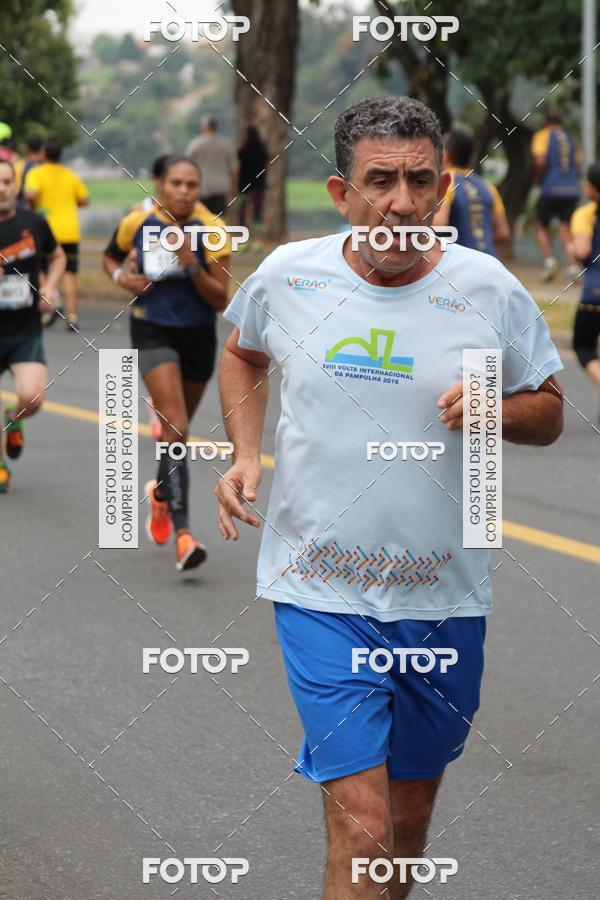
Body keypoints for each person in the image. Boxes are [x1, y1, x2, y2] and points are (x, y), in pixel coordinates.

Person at [216, 96, 564, 899]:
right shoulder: (290, 275)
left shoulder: (490, 290)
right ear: (343, 193)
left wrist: (497, 409)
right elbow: (243, 353)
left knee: (404, 828)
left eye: (418, 182)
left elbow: (548, 410)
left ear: (442, 188)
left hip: (444, 599)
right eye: (380, 182)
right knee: (364, 824)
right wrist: (243, 454)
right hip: (319, 588)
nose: (401, 203)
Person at [102, 154, 231, 571]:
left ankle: (160, 493)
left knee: (176, 433)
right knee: (174, 426)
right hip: (151, 328)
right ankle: (185, 534)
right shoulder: (135, 222)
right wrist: (123, 279)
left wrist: (191, 260)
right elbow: (110, 257)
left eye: (192, 185)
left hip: (197, 336)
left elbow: (219, 298)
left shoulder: (212, 230)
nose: (184, 192)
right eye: (175, 183)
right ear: (158, 184)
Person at [0, 159, 65, 492]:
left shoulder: (35, 223)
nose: (1, 188)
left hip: (24, 329)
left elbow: (57, 257)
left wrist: (52, 287)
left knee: (33, 399)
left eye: (7, 181)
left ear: (16, 186)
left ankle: (13, 421)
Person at [24, 138, 89, 332]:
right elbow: (84, 200)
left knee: (40, 268)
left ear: (43, 153)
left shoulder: (36, 173)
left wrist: (36, 206)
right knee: (70, 273)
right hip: (70, 230)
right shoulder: (71, 175)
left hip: (46, 230)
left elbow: (30, 195)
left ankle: (55, 300)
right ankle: (72, 316)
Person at [434, 124, 510, 256]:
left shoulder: (447, 181)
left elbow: (439, 224)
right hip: (489, 260)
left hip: (460, 263)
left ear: (446, 154)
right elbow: (503, 232)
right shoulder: (487, 186)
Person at [531, 110, 580, 282]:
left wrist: (538, 178)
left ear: (546, 123)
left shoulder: (543, 135)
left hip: (551, 188)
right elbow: (577, 162)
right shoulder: (570, 138)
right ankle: (573, 267)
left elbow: (540, 160)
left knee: (539, 223)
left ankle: (550, 262)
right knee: (565, 228)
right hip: (572, 189)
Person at [570, 163, 600, 408]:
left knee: (583, 347)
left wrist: (571, 248)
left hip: (594, 295)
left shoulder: (586, 213)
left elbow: (582, 250)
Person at [186, 115, 238, 216]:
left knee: (201, 216)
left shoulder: (196, 144)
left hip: (202, 187)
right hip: (221, 187)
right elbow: (233, 168)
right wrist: (234, 187)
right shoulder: (226, 144)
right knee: (218, 218)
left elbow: (187, 165)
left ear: (204, 127)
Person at [237, 126, 268, 228]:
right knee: (257, 208)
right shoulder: (262, 150)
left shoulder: (243, 150)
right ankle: (257, 227)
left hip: (244, 184)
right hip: (258, 183)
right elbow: (267, 164)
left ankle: (242, 226)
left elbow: (238, 165)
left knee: (243, 207)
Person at [14, 136, 44, 209]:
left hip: (25, 207)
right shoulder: (45, 165)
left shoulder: (20, 165)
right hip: (44, 207)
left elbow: (16, 190)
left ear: (28, 149)